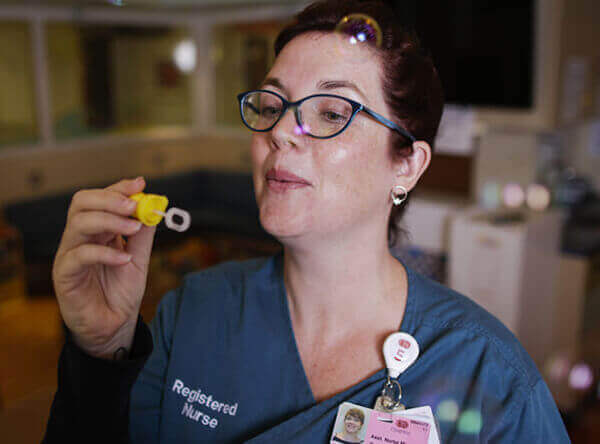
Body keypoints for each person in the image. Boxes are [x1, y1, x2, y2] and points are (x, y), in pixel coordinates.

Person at [43, 0, 570, 442]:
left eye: (333, 112)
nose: (282, 132)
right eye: (272, 105)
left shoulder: (487, 372)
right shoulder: (193, 312)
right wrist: (101, 353)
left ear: (406, 164)